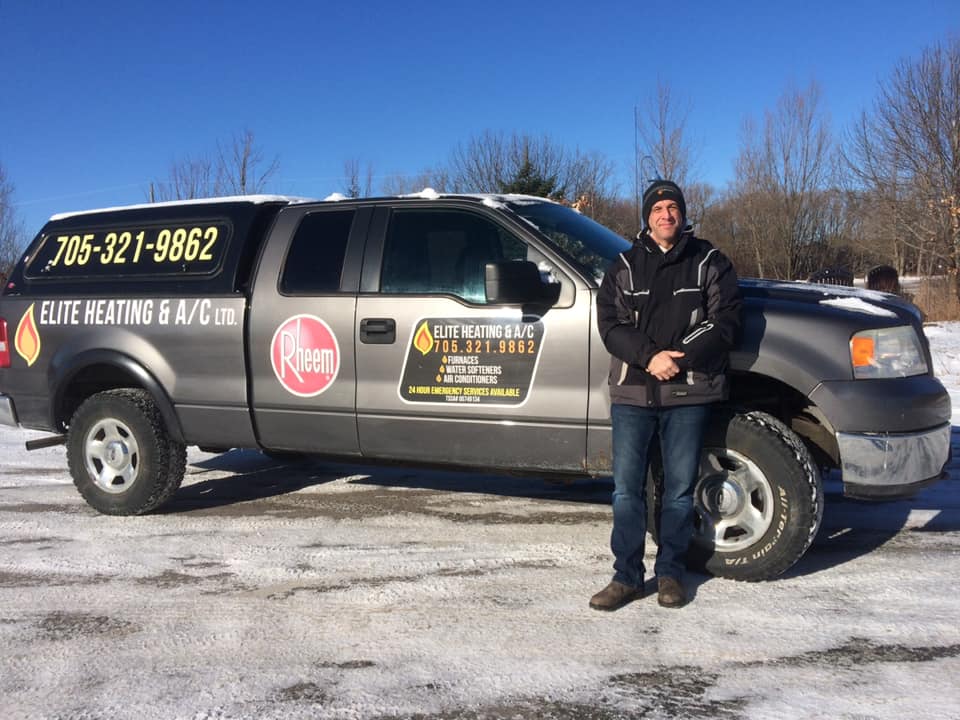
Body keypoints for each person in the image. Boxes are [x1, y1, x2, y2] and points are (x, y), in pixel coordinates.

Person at [591, 180, 741, 610]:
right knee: (625, 491)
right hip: (634, 394)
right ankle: (626, 577)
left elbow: (727, 318)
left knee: (678, 491)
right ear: (646, 216)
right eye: (658, 209)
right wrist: (650, 356)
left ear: (683, 213)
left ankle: (670, 574)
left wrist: (682, 357)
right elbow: (611, 326)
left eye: (673, 207)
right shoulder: (623, 265)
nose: (666, 215)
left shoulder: (709, 261)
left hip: (687, 392)